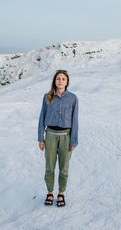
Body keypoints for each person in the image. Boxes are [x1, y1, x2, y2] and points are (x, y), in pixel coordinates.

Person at [38, 69, 79, 207]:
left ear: (67, 82)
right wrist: (40, 138)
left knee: (64, 168)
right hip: (50, 137)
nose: (60, 81)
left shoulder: (73, 98)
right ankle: (50, 192)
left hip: (66, 138)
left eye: (63, 79)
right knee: (49, 167)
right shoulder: (47, 97)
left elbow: (75, 120)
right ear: (54, 81)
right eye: (58, 79)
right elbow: (41, 118)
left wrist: (73, 140)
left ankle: (61, 193)